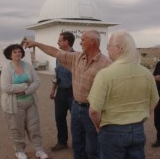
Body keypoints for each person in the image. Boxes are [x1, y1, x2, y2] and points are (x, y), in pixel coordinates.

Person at [24, 30, 111, 159]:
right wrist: (36, 44)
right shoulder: (76, 57)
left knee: (93, 146)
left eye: (83, 40)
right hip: (76, 107)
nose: (80, 42)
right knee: (77, 145)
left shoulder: (107, 64)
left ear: (92, 42)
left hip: (93, 109)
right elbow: (54, 52)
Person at [88, 30, 159, 159]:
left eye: (109, 46)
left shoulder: (105, 75)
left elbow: (93, 110)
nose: (107, 49)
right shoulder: (147, 73)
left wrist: (98, 125)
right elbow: (154, 100)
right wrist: (143, 115)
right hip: (137, 130)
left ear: (119, 48)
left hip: (112, 131)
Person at [0, 44, 48, 159]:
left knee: (34, 127)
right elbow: (5, 87)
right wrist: (24, 86)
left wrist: (26, 91)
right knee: (16, 129)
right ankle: (19, 151)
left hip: (30, 102)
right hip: (14, 105)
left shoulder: (28, 66)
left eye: (19, 51)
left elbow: (37, 81)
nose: (18, 54)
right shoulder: (6, 69)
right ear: (10, 55)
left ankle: (39, 149)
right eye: (15, 52)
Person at [50, 32, 75, 151]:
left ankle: (78, 144)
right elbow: (57, 74)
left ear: (66, 42)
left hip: (74, 93)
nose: (57, 43)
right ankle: (62, 142)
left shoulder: (77, 57)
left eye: (59, 41)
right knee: (59, 118)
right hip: (60, 92)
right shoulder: (58, 57)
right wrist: (53, 89)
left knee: (76, 120)